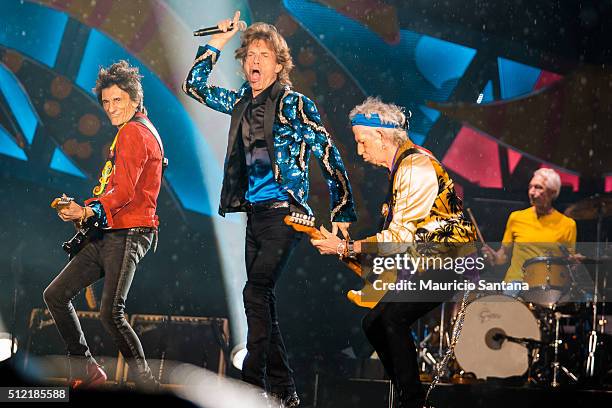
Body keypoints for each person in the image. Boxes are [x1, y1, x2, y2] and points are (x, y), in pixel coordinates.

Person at [182, 11, 356, 406]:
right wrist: (221, 41)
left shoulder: (295, 105)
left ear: (279, 64)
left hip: (287, 214)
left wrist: (342, 209)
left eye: (264, 54)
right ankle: (286, 390)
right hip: (255, 215)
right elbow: (194, 86)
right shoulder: (242, 102)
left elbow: (327, 154)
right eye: (250, 54)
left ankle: (250, 383)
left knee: (255, 291)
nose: (255, 60)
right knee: (262, 302)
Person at [311, 97, 475, 408]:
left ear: (382, 136)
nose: (360, 151)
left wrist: (346, 247)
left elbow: (399, 239)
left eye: (362, 142)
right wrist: (354, 254)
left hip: (450, 260)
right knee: (374, 323)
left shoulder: (416, 168)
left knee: (392, 321)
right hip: (429, 259)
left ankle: (412, 402)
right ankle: (409, 397)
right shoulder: (402, 168)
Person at [44, 60, 164, 390]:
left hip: (130, 232)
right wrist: (85, 210)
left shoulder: (134, 133)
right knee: (56, 295)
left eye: (118, 101)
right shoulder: (132, 132)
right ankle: (86, 368)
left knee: (111, 313)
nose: (111, 108)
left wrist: (85, 213)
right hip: (110, 230)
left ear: (135, 100)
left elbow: (124, 192)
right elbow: (113, 190)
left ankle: (148, 385)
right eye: (106, 102)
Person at [482, 168, 577, 283]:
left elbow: (569, 264)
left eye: (538, 187)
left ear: (552, 192)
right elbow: (504, 256)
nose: (532, 192)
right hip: (515, 282)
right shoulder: (516, 217)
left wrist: (574, 262)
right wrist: (494, 257)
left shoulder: (568, 225)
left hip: (548, 285)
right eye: (530, 187)